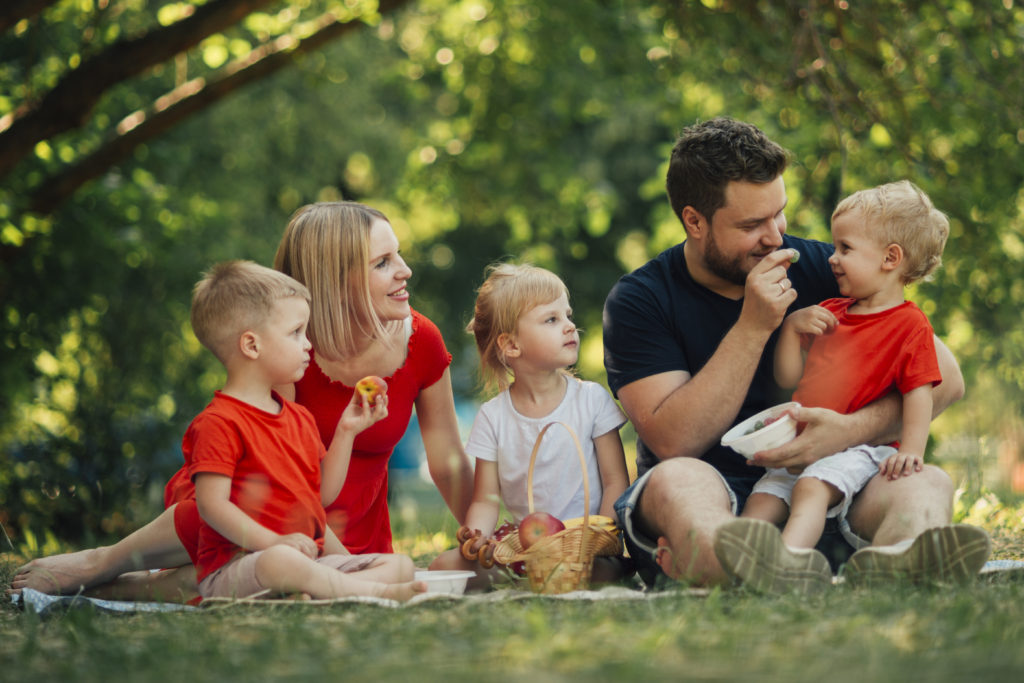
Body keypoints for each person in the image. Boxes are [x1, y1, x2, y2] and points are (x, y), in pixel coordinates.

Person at [10, 202, 473, 601]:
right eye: (383, 262)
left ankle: (129, 587)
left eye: (399, 255)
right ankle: (101, 564)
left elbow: (449, 465)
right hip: (255, 500)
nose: (405, 270)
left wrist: (482, 535)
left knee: (257, 576)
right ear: (337, 279)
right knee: (254, 562)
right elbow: (282, 477)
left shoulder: (422, 341)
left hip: (341, 524)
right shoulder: (288, 347)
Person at [602, 117, 988, 591]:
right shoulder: (639, 300)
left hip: (829, 488)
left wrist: (849, 430)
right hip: (716, 497)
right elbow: (675, 442)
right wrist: (754, 325)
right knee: (675, 479)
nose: (775, 236)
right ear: (694, 221)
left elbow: (946, 378)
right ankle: (752, 564)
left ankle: (898, 560)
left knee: (927, 482)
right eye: (752, 224)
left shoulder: (826, 268)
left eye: (778, 213)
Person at [713, 180, 986, 594]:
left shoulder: (909, 324)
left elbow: (919, 391)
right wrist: (790, 328)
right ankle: (742, 562)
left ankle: (788, 564)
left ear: (890, 258)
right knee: (764, 498)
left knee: (808, 490)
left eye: (845, 248)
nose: (833, 260)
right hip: (804, 441)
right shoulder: (829, 312)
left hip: (857, 451)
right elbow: (788, 379)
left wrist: (911, 450)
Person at [183, 260, 423, 601]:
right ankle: (372, 593)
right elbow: (211, 506)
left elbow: (321, 495)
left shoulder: (298, 418)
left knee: (401, 565)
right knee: (282, 562)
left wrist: (346, 432)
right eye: (296, 333)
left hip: (306, 560)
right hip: (240, 565)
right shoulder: (218, 422)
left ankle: (320, 588)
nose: (308, 344)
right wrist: (273, 543)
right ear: (252, 346)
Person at [430, 263, 630, 589]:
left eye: (567, 315)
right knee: (444, 565)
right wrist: (477, 537)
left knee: (602, 571)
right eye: (552, 320)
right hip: (526, 545)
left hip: (585, 544)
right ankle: (536, 575)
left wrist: (599, 539)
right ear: (511, 345)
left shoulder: (592, 400)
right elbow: (485, 499)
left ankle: (570, 574)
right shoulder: (493, 417)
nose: (570, 326)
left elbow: (615, 480)